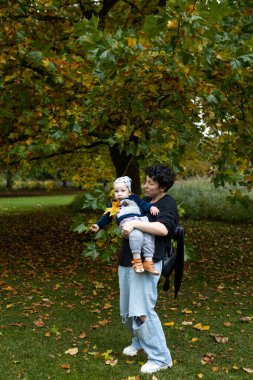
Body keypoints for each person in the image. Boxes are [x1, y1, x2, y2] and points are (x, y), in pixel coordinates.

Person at [118, 164, 179, 374]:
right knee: (126, 309)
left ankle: (161, 358)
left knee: (142, 309)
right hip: (127, 260)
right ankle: (139, 342)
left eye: (150, 183)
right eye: (145, 180)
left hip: (148, 264)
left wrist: (135, 224)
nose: (145, 185)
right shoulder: (144, 202)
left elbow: (163, 228)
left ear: (162, 187)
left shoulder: (167, 203)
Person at [90, 176, 160, 275]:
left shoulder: (135, 199)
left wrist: (151, 207)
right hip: (126, 225)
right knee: (136, 235)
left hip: (140, 222)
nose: (119, 193)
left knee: (148, 236)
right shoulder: (114, 204)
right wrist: (98, 225)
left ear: (129, 191)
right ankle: (137, 261)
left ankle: (148, 261)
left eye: (122, 190)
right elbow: (106, 217)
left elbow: (144, 204)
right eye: (116, 191)